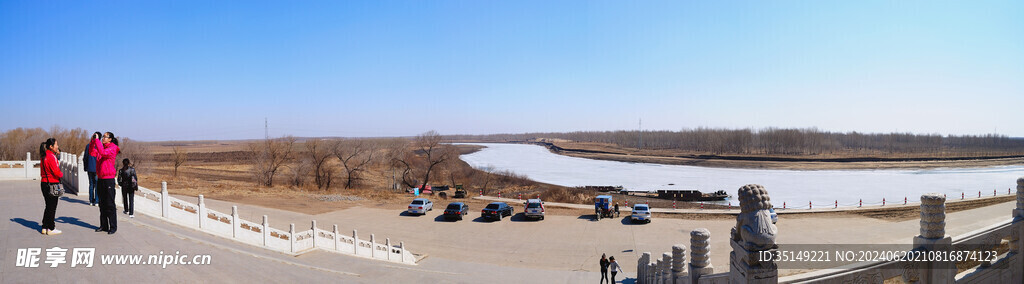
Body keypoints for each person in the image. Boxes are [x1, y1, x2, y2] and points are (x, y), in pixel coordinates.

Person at [91, 132, 120, 235]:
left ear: (110, 139)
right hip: (100, 178)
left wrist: (98, 141)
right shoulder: (101, 147)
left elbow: (103, 153)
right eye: (102, 137)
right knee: (102, 204)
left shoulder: (113, 148)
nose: (103, 138)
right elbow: (91, 152)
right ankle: (103, 225)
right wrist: (93, 141)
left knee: (110, 204)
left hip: (109, 179)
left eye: (105, 137)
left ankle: (113, 226)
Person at [39, 138, 63, 235]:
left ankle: (44, 227)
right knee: (52, 207)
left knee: (48, 206)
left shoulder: (44, 155)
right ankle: (51, 228)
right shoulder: (51, 156)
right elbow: (56, 171)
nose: (57, 146)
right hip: (52, 184)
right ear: (51, 146)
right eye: (56, 145)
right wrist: (61, 174)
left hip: (44, 183)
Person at [83, 132, 100, 206]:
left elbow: (85, 158)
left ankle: (91, 201)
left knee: (91, 185)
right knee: (97, 185)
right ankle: (96, 201)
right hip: (97, 169)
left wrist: (85, 167)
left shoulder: (88, 146)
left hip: (90, 168)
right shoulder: (100, 146)